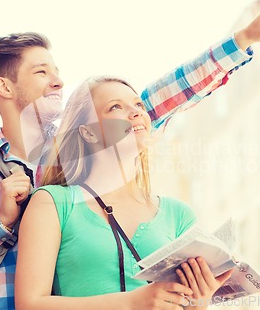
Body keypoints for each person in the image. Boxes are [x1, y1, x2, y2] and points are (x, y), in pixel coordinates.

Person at [0, 0, 260, 310]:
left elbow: (159, 98)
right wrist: (1, 221)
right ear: (4, 87)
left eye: (58, 70)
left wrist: (244, 40)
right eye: (42, 72)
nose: (59, 80)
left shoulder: (78, 153)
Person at [15, 76, 232, 310]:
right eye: (116, 107)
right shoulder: (52, 202)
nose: (137, 112)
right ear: (88, 133)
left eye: (138, 105)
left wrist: (199, 301)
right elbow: (29, 304)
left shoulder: (179, 215)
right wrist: (131, 303)